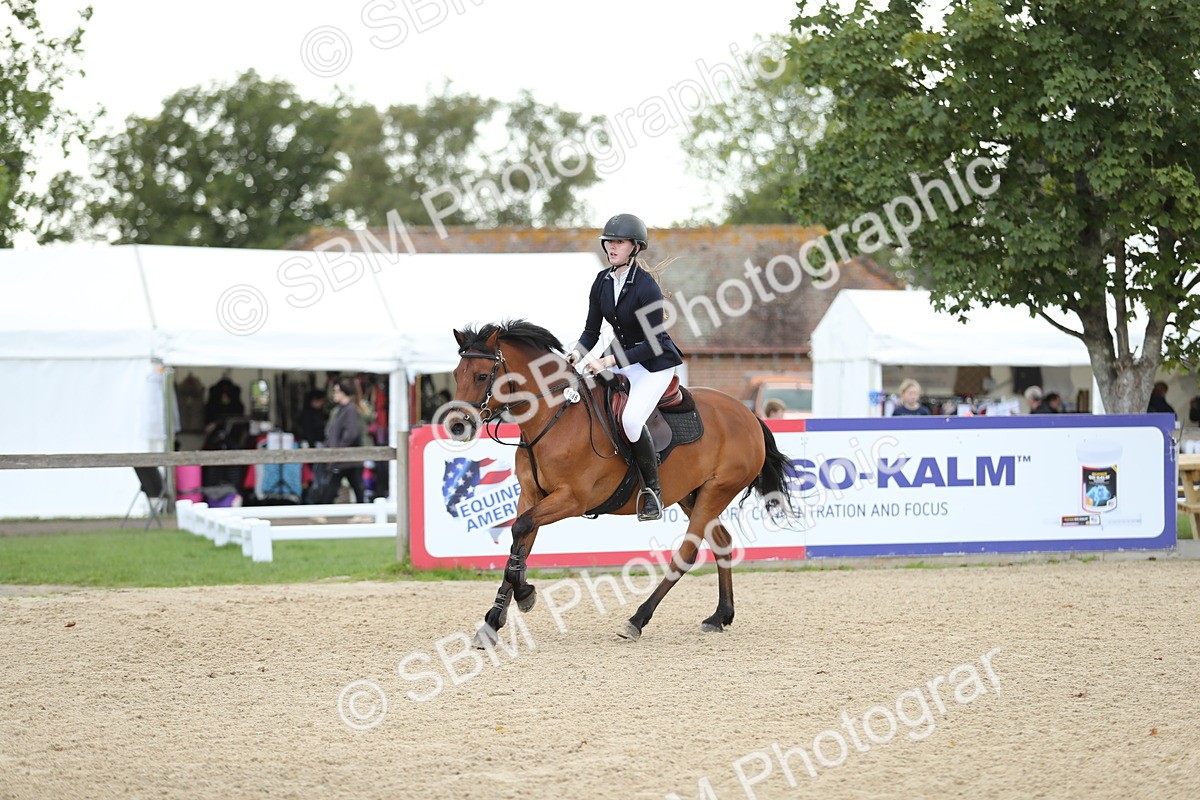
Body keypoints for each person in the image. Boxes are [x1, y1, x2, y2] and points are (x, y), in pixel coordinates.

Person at [567, 212, 684, 521]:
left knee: (631, 420)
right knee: (583, 397)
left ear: (635, 247)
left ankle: (651, 493)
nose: (611, 247)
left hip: (654, 364)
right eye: (609, 242)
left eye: (618, 242)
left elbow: (653, 343)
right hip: (620, 357)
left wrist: (609, 360)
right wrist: (575, 355)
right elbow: (591, 331)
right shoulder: (602, 281)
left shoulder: (647, 288)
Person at [319, 378, 366, 503]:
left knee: (335, 483)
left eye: (336, 391)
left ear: (343, 392)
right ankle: (363, 512)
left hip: (345, 457)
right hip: (345, 457)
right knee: (355, 485)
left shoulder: (349, 409)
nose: (334, 394)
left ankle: (322, 511)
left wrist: (339, 447)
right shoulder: (342, 409)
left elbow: (352, 432)